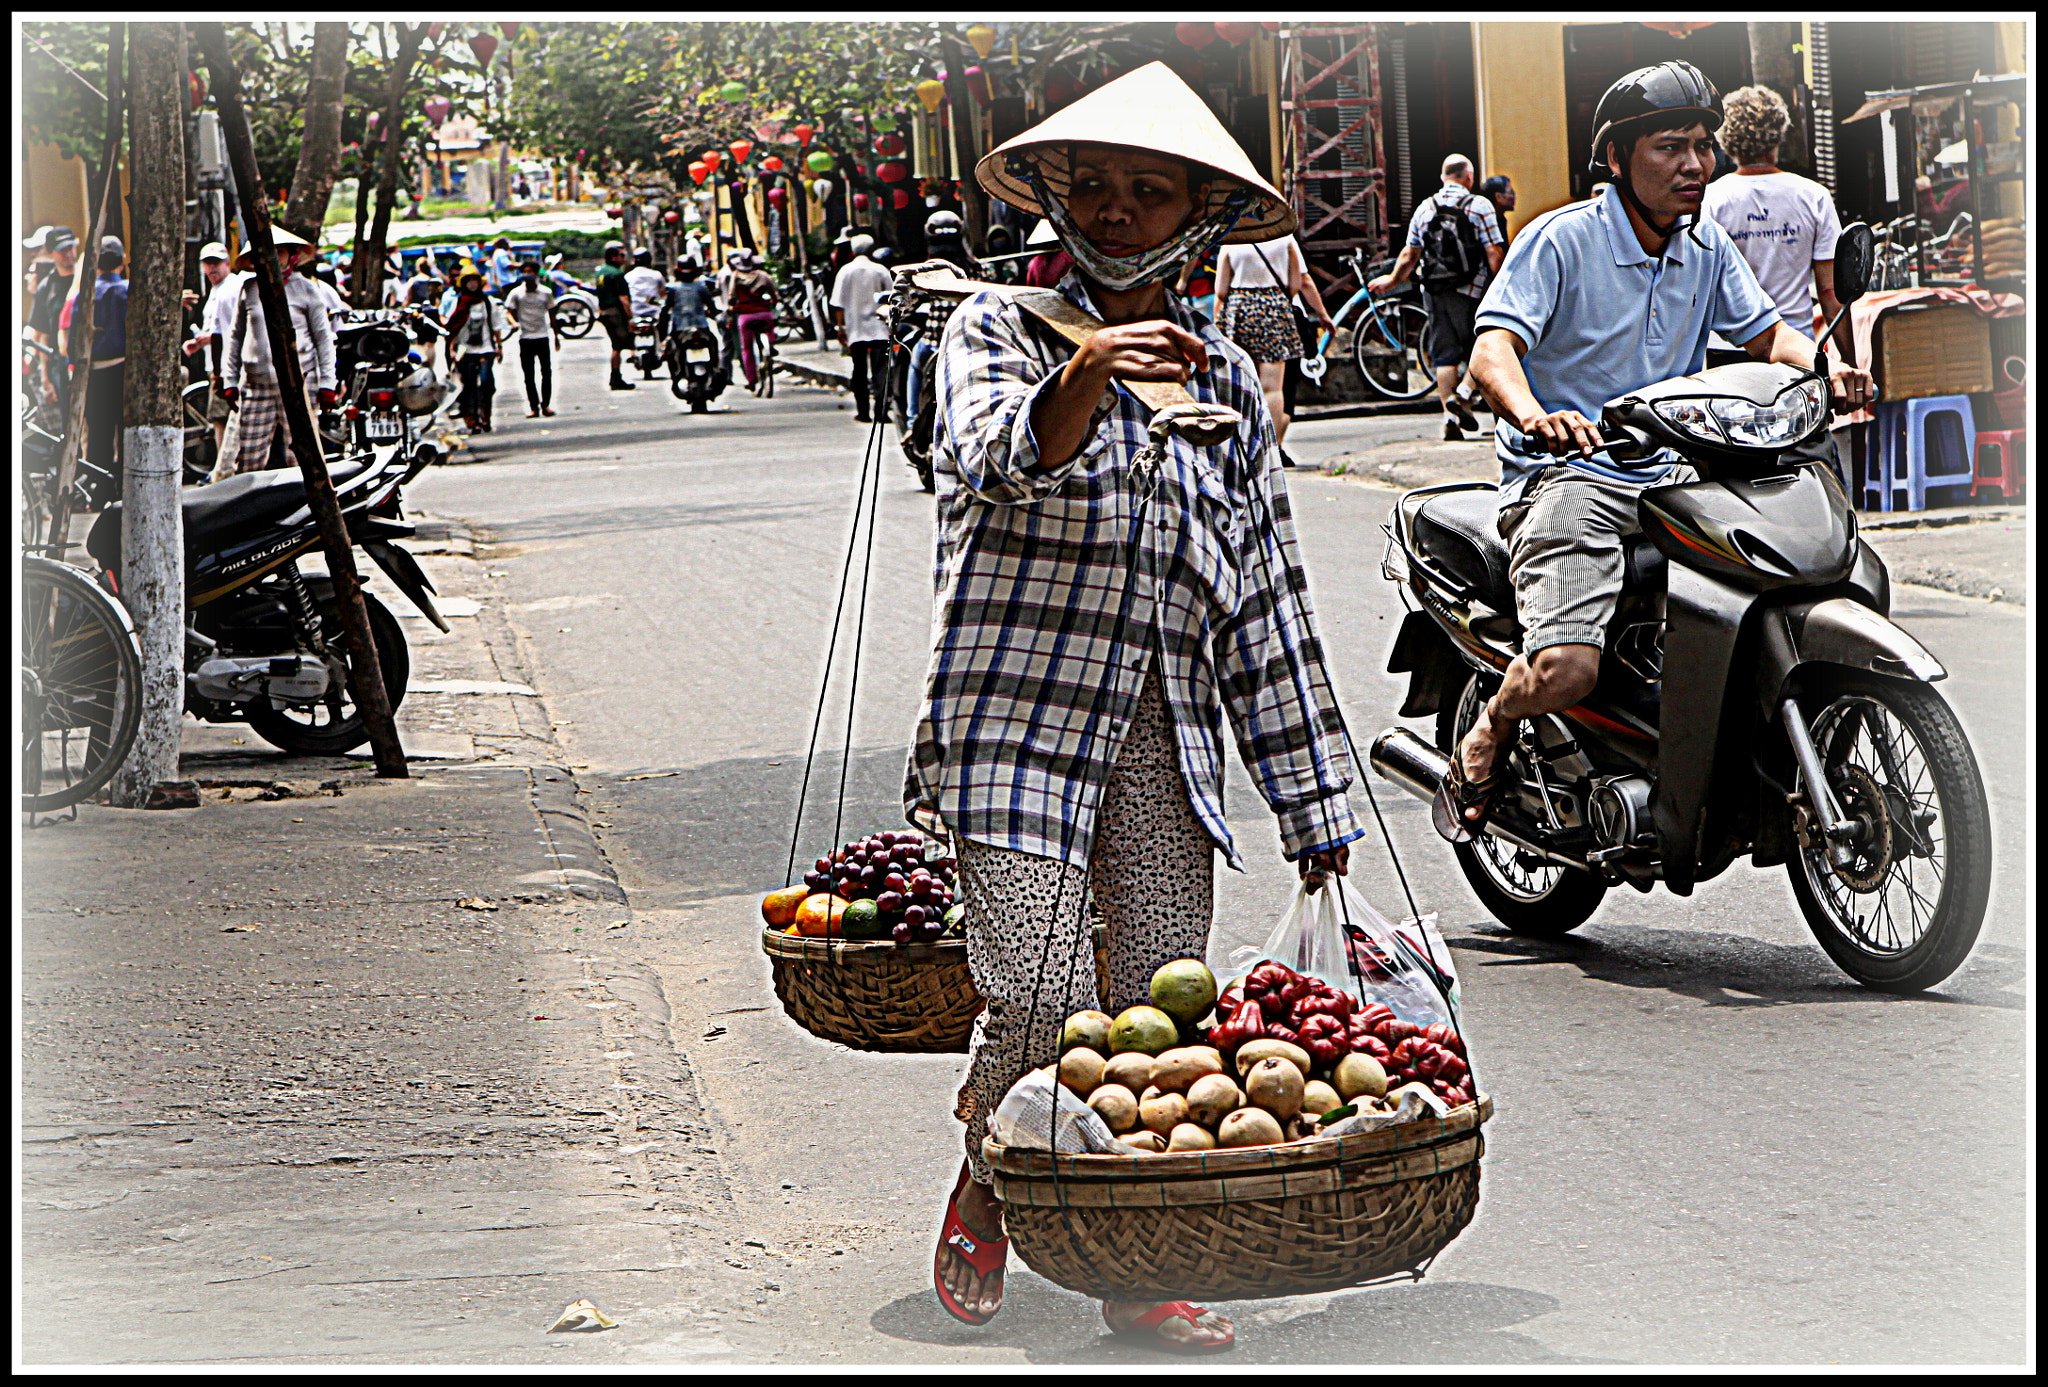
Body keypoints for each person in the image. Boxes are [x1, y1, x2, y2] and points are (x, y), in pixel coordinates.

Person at [919, 61, 1361, 1353]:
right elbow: (997, 453)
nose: (1117, 210)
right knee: (1048, 993)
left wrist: (1316, 802)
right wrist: (1093, 370)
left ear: (1196, 215)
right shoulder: (996, 330)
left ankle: (1138, 1261)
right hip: (1015, 727)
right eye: (1095, 186)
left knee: (1160, 1009)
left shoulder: (1224, 384)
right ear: (1057, 195)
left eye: (1147, 189)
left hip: (1163, 736)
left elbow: (1269, 604)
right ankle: (989, 1179)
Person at [1442, 61, 1872, 836]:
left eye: (1703, 145)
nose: (1694, 165)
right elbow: (1491, 350)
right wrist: (1537, 414)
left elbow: (1768, 332)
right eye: (1671, 146)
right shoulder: (1561, 238)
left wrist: (1829, 369)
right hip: (1568, 476)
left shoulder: (1703, 244)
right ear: (1617, 157)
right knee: (1569, 669)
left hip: (1672, 474)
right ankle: (1495, 725)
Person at [1369, 154, 1506, 440]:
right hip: (1471, 291)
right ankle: (1467, 399)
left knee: (1445, 356)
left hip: (1434, 291)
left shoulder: (1424, 208)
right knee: (1483, 349)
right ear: (1469, 177)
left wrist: (1392, 280)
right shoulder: (1479, 205)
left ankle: (1449, 420)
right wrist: (1503, 285)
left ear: (1443, 177)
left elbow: (1410, 254)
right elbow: (1493, 252)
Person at [1703, 85, 1848, 355]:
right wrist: (1851, 362)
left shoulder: (1709, 200)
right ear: (1780, 133)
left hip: (1726, 348)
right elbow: (1829, 292)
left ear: (1725, 138)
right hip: (1795, 347)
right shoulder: (1813, 195)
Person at [212, 228, 338, 482]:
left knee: (304, 458)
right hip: (256, 384)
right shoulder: (249, 288)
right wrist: (229, 381)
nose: (272, 257)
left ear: (291, 255)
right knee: (248, 458)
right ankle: (251, 514)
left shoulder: (307, 290)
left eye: (278, 252)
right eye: (266, 252)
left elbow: (323, 340)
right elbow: (235, 337)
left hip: (299, 382)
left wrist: (327, 384)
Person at [1212, 230, 1333, 454]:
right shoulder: (1284, 238)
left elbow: (1220, 291)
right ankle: (1271, 447)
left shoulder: (1232, 240)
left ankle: (1242, 445)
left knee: (1240, 383)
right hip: (1275, 306)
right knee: (1273, 388)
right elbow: (1296, 283)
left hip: (1239, 308)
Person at [77, 237, 131, 489]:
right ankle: (122, 487)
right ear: (122, 261)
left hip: (93, 372)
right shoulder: (127, 290)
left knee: (98, 433)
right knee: (125, 431)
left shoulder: (84, 293)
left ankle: (98, 491)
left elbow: (73, 338)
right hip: (123, 370)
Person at [184, 242, 243, 450]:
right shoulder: (214, 291)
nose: (212, 268)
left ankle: (224, 466)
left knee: (222, 418)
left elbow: (231, 329)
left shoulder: (233, 287)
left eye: (216, 263)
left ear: (227, 263)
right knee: (221, 417)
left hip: (228, 363)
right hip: (215, 363)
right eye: (208, 264)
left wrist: (210, 338)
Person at [829, 233, 893, 423]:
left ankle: (863, 411)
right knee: (880, 370)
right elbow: (891, 298)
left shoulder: (845, 271)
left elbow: (838, 303)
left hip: (855, 329)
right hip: (880, 327)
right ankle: (882, 411)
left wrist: (841, 328)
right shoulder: (880, 270)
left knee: (859, 370)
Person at [444, 268, 507, 433]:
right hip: (465, 348)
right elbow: (453, 327)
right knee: (469, 384)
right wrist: (452, 348)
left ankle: (486, 416)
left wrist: (499, 345)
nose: (472, 284)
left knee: (487, 383)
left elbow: (496, 325)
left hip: (486, 347)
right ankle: (472, 419)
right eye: (468, 281)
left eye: (475, 280)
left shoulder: (488, 302)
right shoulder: (459, 302)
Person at [27, 226, 80, 412]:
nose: (68, 254)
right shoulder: (46, 287)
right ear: (50, 253)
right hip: (61, 363)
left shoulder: (87, 278)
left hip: (93, 359)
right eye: (62, 250)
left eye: (71, 247)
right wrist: (45, 378)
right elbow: (43, 333)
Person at [503, 260, 561, 418]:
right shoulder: (516, 293)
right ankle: (533, 406)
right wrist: (514, 323)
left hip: (542, 336)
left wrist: (556, 336)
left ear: (537, 274)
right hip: (525, 337)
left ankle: (546, 405)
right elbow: (508, 312)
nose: (528, 275)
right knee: (528, 375)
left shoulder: (546, 292)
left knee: (546, 373)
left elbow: (552, 315)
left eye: (531, 272)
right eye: (525, 272)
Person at [725, 250, 778, 390]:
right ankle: (772, 342)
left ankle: (752, 379)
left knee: (747, 348)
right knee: (770, 323)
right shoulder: (763, 275)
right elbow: (774, 295)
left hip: (745, 316)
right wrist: (773, 302)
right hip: (764, 314)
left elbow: (731, 297)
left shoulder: (735, 276)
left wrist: (732, 307)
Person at [594, 241, 636, 390]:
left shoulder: (600, 271)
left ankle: (616, 376)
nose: (623, 258)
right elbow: (624, 299)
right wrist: (631, 316)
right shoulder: (616, 274)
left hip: (604, 311)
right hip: (615, 312)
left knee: (616, 344)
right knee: (618, 345)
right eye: (621, 256)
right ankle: (616, 377)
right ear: (613, 257)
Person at [1478, 174, 1516, 245]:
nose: (1514, 196)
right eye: (1511, 192)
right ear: (1498, 197)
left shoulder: (1500, 219)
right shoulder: (1489, 222)